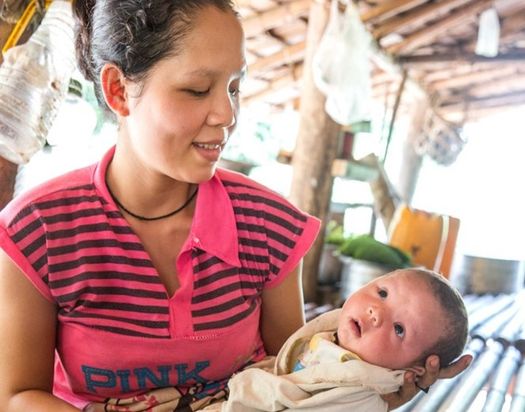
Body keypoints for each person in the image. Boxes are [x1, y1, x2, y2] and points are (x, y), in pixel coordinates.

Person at [0, 1, 471, 411]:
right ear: (119, 90)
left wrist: (377, 388)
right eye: (197, 89)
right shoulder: (39, 229)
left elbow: (296, 374)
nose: (226, 115)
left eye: (234, 87)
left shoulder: (268, 225)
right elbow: (17, 396)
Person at [219, 268, 469, 411]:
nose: (376, 313)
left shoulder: (358, 396)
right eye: (382, 293)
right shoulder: (334, 339)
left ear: (414, 371)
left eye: (399, 329)